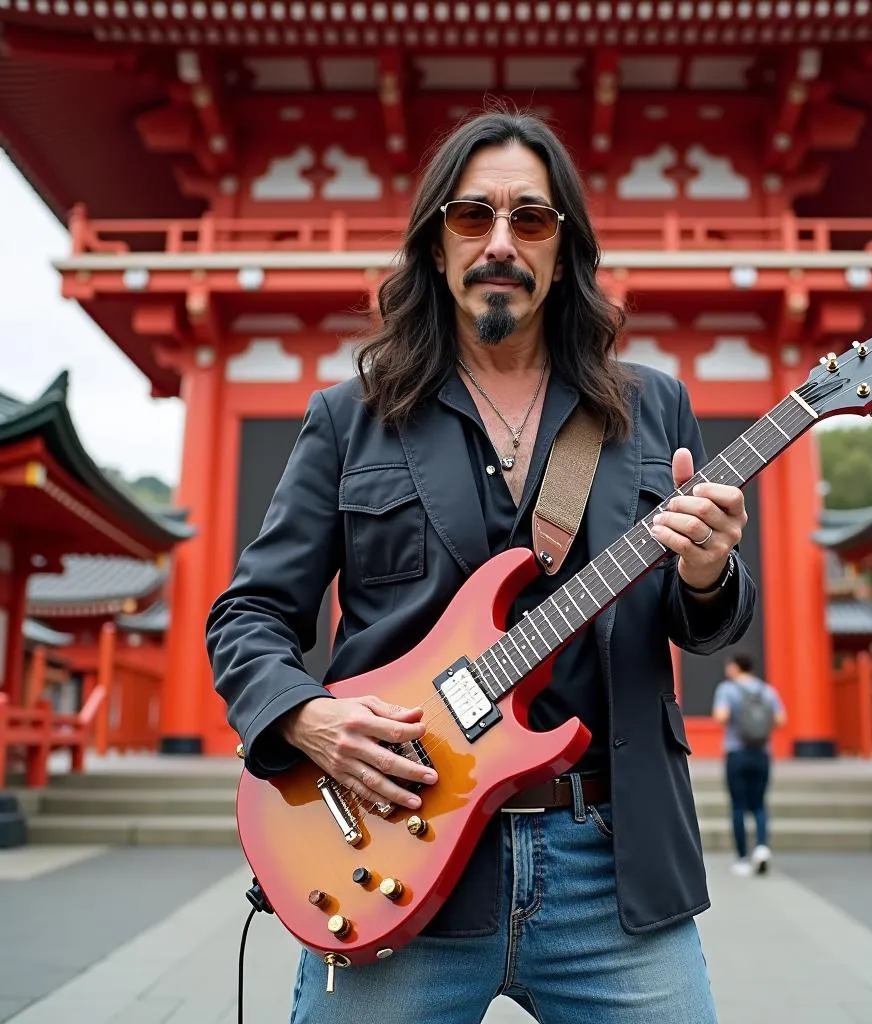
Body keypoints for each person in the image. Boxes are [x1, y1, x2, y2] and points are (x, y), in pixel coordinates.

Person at [206, 107, 756, 1024]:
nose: (501, 242)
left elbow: (698, 619)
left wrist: (707, 573)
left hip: (612, 863)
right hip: (393, 854)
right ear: (435, 245)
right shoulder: (351, 417)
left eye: (530, 220)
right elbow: (249, 613)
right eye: (473, 216)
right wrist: (303, 717)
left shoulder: (653, 408)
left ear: (563, 247)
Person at [712, 653, 786, 877]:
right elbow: (781, 720)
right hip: (761, 754)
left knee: (738, 806)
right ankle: (762, 848)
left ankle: (743, 858)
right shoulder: (767, 690)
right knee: (760, 804)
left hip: (736, 753)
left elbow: (721, 717)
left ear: (735, 667)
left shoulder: (727, 689)